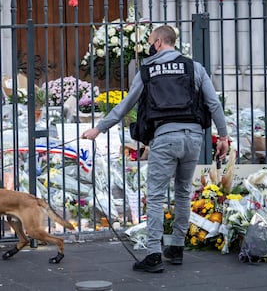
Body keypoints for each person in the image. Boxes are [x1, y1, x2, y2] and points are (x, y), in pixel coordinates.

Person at [82, 25, 229, 273]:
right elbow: (213, 103)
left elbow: (126, 104)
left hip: (165, 138)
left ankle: (153, 254)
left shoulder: (148, 70)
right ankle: (177, 248)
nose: (150, 46)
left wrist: (99, 128)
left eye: (151, 42)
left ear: (159, 42)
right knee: (183, 192)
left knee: (157, 194)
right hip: (193, 138)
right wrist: (223, 136)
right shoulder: (194, 68)